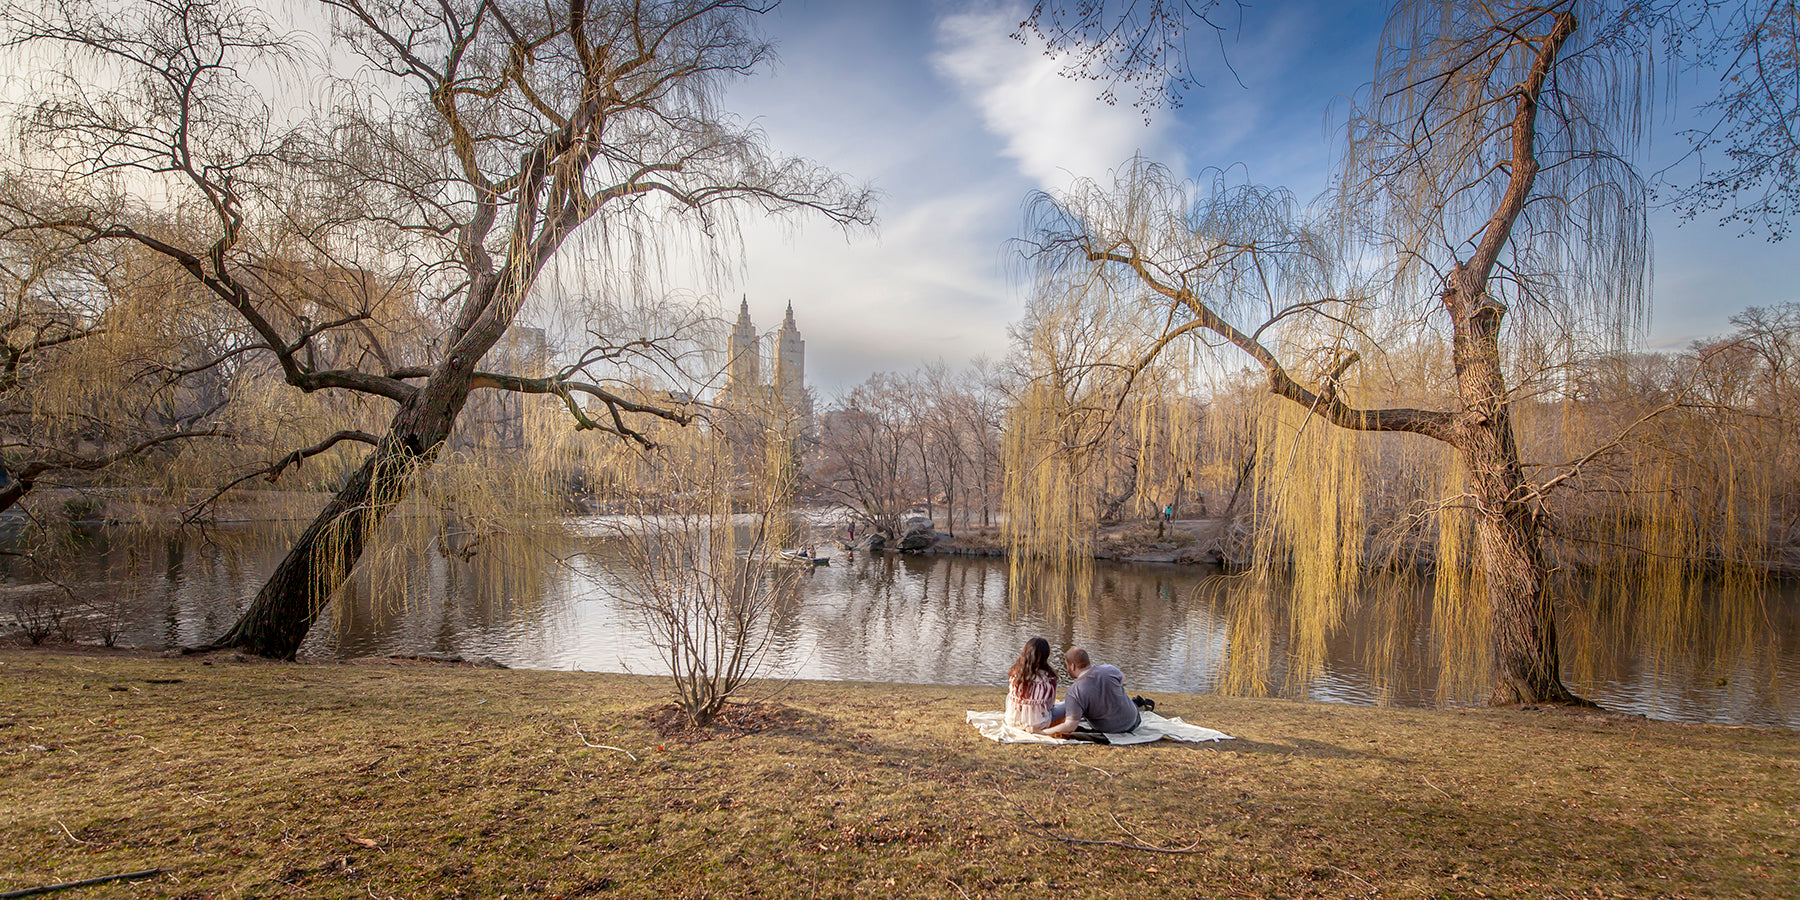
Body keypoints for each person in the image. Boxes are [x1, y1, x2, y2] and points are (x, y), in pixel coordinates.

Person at [1042, 646, 1141, 737]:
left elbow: (1070, 725)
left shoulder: (1074, 691)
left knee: (1069, 705)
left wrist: (1043, 733)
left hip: (1109, 730)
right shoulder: (1109, 669)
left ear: (1072, 666)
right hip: (1133, 721)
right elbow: (1123, 678)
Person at [1004, 637, 1058, 732]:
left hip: (1012, 721)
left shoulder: (1015, 673)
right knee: (1065, 706)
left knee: (1009, 696)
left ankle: (1018, 716)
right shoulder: (1049, 678)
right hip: (1038, 724)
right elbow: (1050, 706)